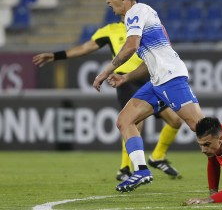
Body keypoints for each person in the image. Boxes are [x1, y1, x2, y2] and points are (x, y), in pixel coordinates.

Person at [93, 0, 222, 194]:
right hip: (157, 81)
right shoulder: (141, 14)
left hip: (171, 78)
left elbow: (131, 46)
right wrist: (125, 78)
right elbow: (151, 61)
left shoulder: (135, 13)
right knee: (124, 120)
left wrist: (105, 72)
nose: (108, 1)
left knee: (201, 127)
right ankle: (141, 170)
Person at [32, 20, 183, 181]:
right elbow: (85, 48)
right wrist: (56, 56)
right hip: (126, 80)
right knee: (134, 123)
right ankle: (124, 168)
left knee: (175, 120)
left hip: (150, 78)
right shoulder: (110, 30)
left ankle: (157, 157)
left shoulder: (146, 27)